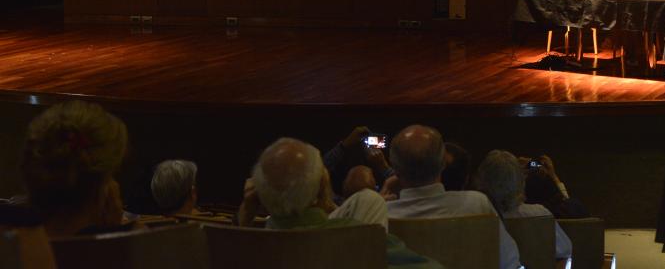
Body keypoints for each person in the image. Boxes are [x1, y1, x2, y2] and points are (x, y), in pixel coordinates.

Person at [236, 137, 440, 268]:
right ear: (322, 186)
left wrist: (245, 219)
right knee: (370, 199)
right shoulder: (360, 234)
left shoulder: (238, 248)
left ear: (256, 190)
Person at [386, 124, 521, 269]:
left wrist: (378, 203)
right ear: (443, 164)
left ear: (395, 170)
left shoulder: (380, 217)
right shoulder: (477, 204)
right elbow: (510, 263)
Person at [21, 101, 129, 237]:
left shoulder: (15, 246)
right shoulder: (138, 247)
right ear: (103, 190)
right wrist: (114, 235)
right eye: (112, 174)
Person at [475, 150, 572, 266]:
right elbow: (565, 253)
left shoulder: (475, 219)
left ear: (481, 181)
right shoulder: (540, 214)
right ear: (521, 181)